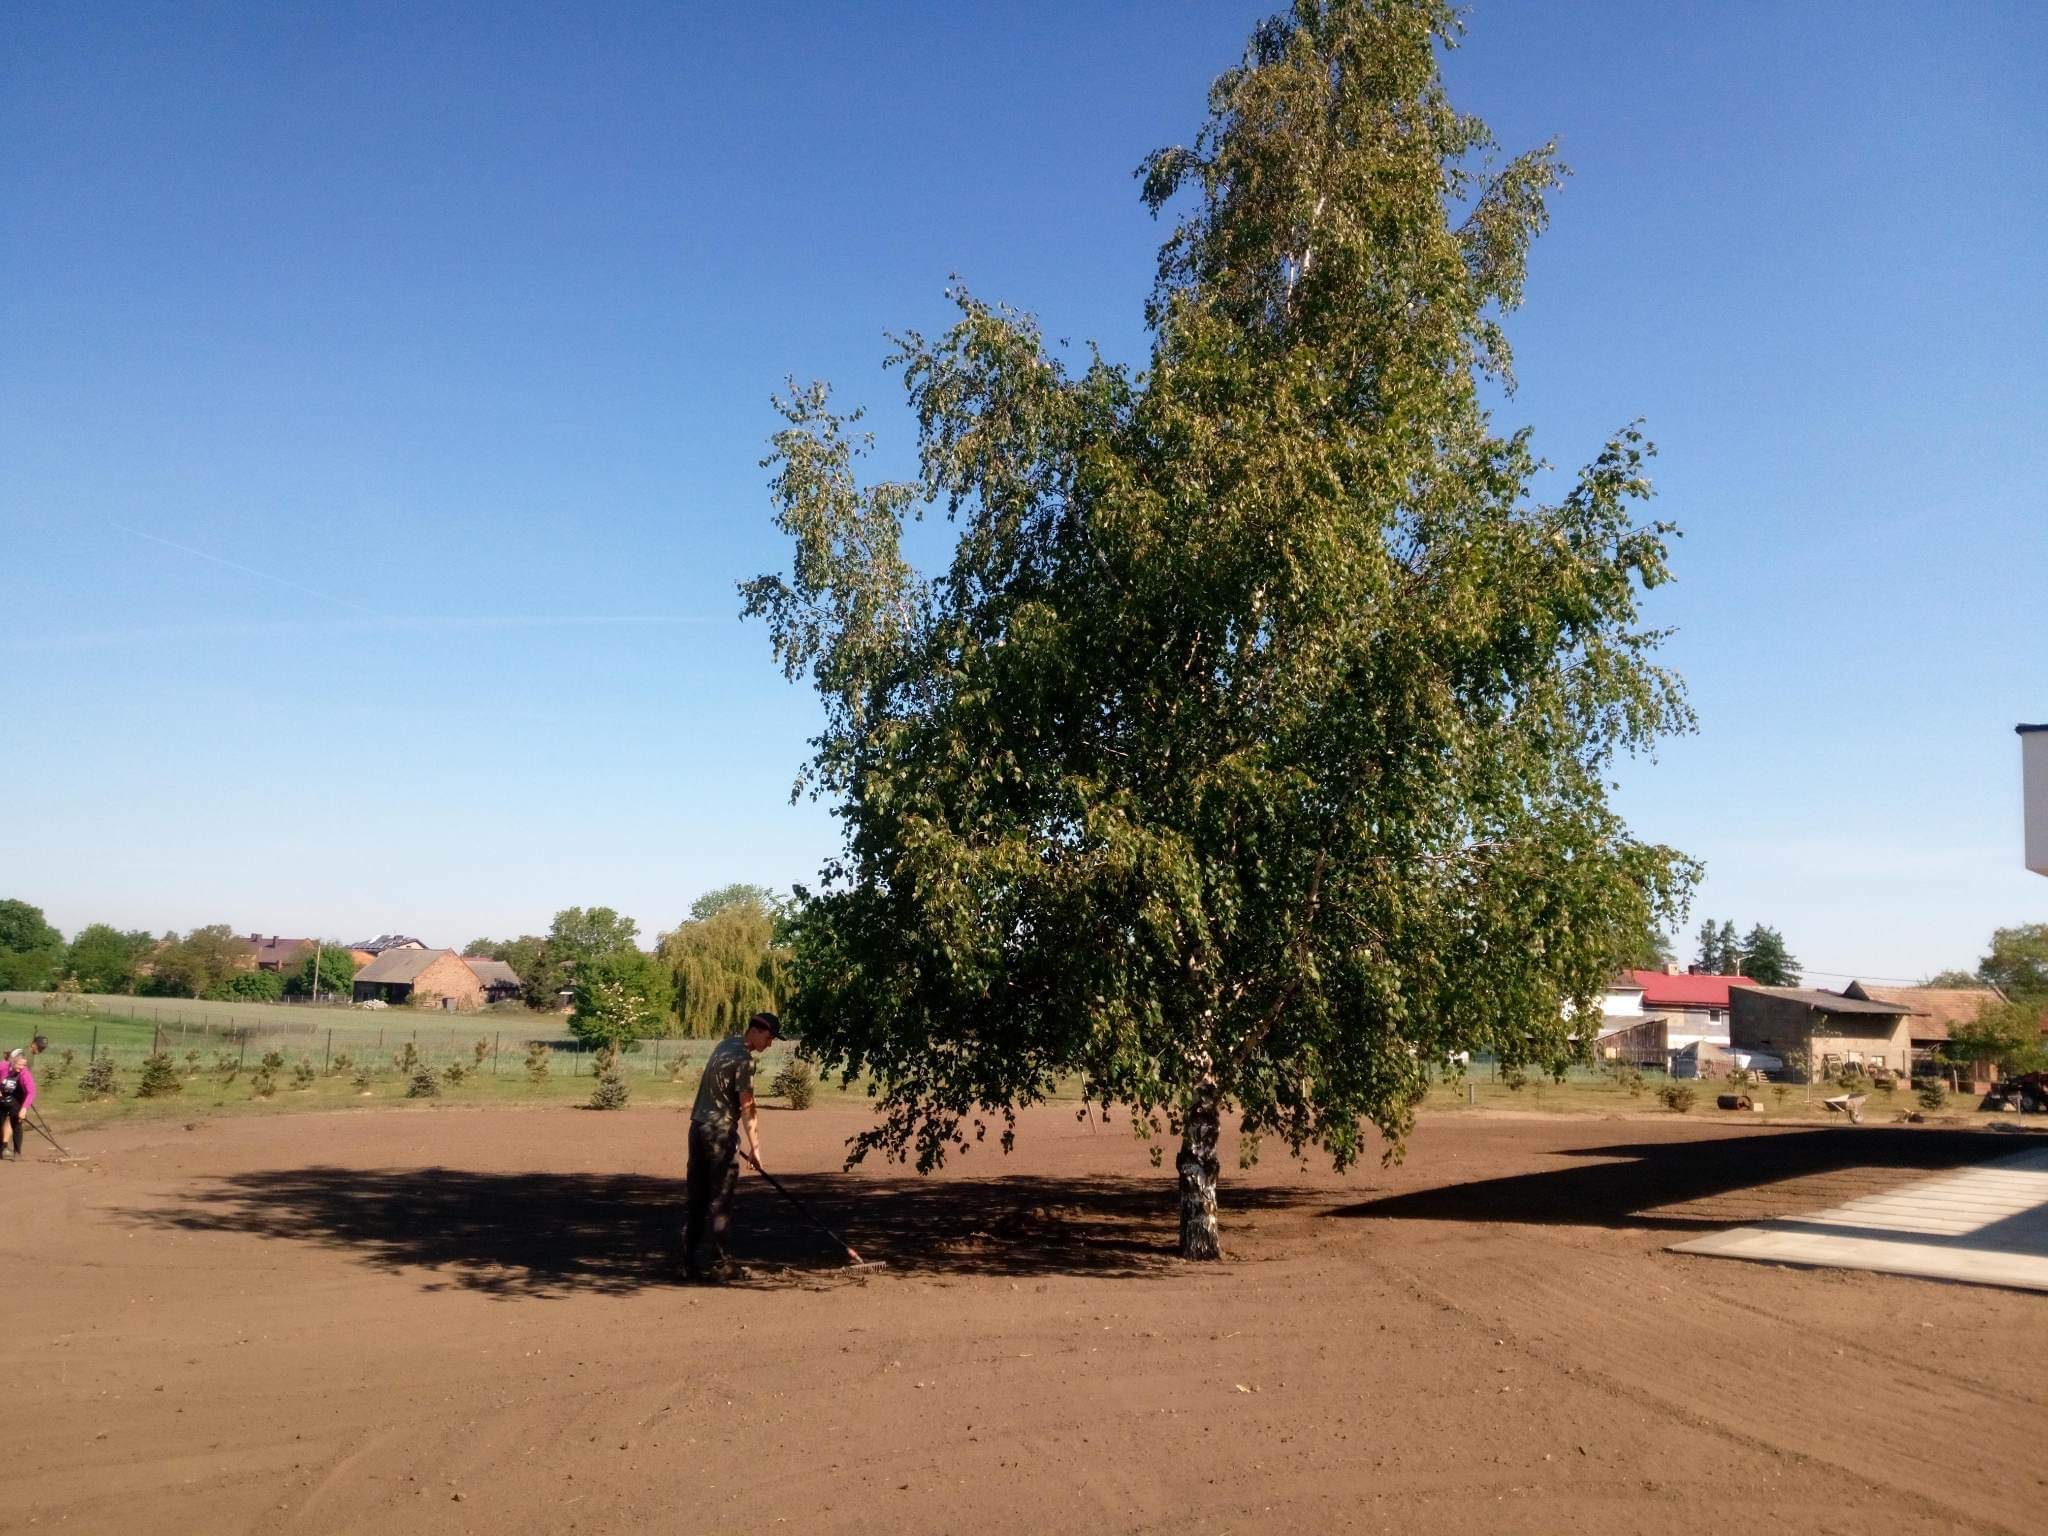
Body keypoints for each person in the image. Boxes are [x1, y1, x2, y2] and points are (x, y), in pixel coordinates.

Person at [681, 1011, 778, 1281]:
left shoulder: (726, 1045)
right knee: (720, 1197)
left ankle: (687, 1262)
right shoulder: (743, 1059)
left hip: (698, 1127)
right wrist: (755, 1147)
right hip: (718, 1134)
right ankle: (720, 1263)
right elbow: (747, 1105)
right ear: (756, 1031)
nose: (769, 1045)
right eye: (769, 1039)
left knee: (697, 1198)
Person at [0, 1048, 35, 1162]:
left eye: (23, 1065)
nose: (21, 1068)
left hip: (17, 1099)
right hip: (2, 1097)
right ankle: (2, 1149)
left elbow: (31, 1092)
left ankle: (17, 1152)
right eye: (19, 1065)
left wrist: (24, 1109)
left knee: (16, 1123)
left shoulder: (25, 1073)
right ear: (12, 1061)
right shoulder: (3, 1066)